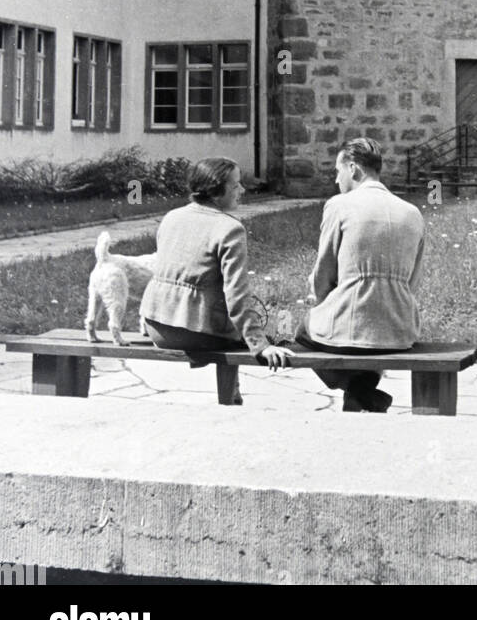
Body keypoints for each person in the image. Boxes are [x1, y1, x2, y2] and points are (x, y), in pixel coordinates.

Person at [294, 137, 425, 413]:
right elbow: (413, 280)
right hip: (401, 328)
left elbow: (324, 272)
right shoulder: (413, 213)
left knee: (303, 330)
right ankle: (361, 391)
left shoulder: (340, 205)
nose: (335, 180)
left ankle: (359, 390)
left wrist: (319, 301)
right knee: (368, 329)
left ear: (353, 169)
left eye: (337, 171)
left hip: (350, 326)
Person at [141, 157, 287, 403]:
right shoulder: (230, 228)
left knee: (229, 323)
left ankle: (233, 395)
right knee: (240, 328)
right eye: (236, 186)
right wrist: (261, 345)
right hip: (195, 331)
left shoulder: (171, 217)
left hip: (157, 326)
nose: (242, 190)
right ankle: (229, 399)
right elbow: (237, 295)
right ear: (216, 191)